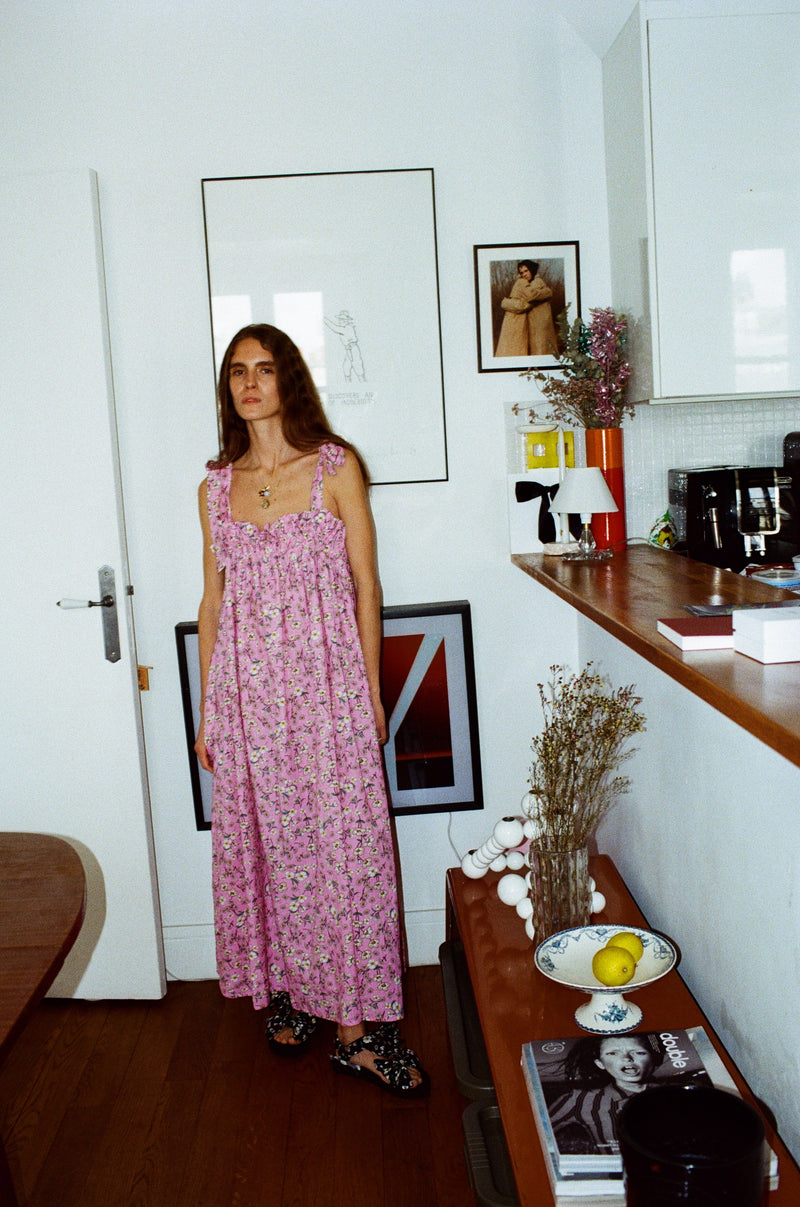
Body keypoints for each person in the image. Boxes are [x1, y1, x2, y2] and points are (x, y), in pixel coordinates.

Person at [195, 323, 428, 1097]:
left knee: (343, 852)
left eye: (264, 368)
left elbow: (367, 585)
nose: (249, 382)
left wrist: (370, 693)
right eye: (237, 371)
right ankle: (291, 993)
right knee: (273, 849)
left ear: (289, 379)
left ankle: (356, 1033)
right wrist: (208, 712)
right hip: (248, 701)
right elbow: (212, 601)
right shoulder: (214, 488)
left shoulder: (334, 466)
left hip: (328, 694)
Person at [495, 260, 559, 357]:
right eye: (521, 272)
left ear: (532, 270)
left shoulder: (535, 283)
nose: (524, 274)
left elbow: (527, 301)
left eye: (526, 271)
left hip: (539, 323)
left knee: (540, 351)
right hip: (531, 324)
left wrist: (505, 303)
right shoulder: (525, 284)